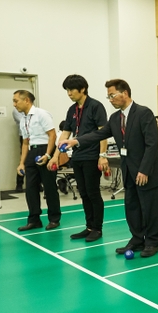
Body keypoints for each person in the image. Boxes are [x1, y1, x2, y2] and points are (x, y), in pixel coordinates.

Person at [61, 79, 158, 258]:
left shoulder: (144, 113)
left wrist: (144, 170)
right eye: (108, 96)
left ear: (124, 93)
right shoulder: (115, 118)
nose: (110, 99)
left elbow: (152, 144)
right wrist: (76, 140)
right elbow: (99, 134)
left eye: (112, 95)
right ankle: (137, 239)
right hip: (129, 171)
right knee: (131, 207)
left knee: (150, 208)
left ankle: (153, 241)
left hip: (145, 171)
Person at [50, 75, 108, 243]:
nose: (68, 93)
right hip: (78, 156)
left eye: (71, 90)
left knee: (93, 193)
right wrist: (55, 156)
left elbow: (102, 132)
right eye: (66, 90)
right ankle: (89, 226)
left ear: (82, 89)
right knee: (83, 193)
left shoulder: (96, 106)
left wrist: (102, 156)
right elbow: (65, 134)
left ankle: (97, 228)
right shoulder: (72, 110)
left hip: (92, 156)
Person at [13, 90, 61, 231]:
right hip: (31, 152)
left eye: (16, 100)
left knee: (49, 186)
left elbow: (52, 136)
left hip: (45, 149)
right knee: (31, 188)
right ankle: (34, 219)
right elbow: (25, 142)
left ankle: (54, 218)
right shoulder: (23, 120)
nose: (14, 104)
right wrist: (22, 162)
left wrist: (47, 155)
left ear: (27, 100)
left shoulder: (42, 114)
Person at [12, 107, 24, 192]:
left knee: (35, 160)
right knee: (23, 159)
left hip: (35, 137)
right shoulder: (16, 110)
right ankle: (19, 184)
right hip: (24, 137)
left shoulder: (35, 110)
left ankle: (38, 184)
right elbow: (22, 121)